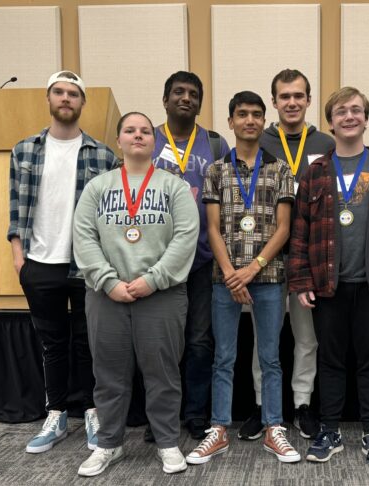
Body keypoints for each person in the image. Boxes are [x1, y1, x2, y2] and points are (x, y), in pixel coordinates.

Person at [288, 87, 369, 467]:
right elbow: (300, 231)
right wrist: (301, 282)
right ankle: (329, 429)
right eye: (341, 111)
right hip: (328, 284)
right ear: (331, 121)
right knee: (331, 359)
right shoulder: (315, 172)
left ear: (365, 118)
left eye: (356, 110)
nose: (349, 117)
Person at [73, 112, 199, 476]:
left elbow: (186, 237)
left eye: (145, 131)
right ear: (119, 141)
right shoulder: (98, 187)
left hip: (161, 295)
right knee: (109, 375)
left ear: (154, 142)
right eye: (130, 130)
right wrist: (108, 281)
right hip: (105, 295)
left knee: (162, 374)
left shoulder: (172, 186)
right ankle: (108, 444)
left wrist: (154, 279)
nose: (139, 135)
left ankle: (167, 442)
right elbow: (83, 236)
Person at [185, 91, 300, 465]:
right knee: (224, 357)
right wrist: (233, 274)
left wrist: (254, 268)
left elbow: (283, 228)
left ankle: (273, 427)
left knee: (270, 357)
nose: (249, 120)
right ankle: (218, 429)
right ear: (231, 122)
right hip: (225, 279)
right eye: (241, 115)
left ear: (264, 121)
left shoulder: (280, 169)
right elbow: (213, 229)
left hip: (268, 277)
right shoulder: (216, 170)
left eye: (256, 115)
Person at [8, 70, 118, 454]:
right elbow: (15, 205)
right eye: (59, 92)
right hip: (39, 262)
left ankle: (91, 410)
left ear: (83, 103)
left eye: (73, 93)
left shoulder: (103, 154)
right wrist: (19, 257)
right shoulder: (24, 150)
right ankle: (55, 413)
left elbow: (111, 213)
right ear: (49, 98)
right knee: (52, 344)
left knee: (89, 344)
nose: (66, 98)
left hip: (86, 265)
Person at [235, 68, 335, 441]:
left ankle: (303, 404)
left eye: (298, 96)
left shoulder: (327, 141)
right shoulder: (258, 142)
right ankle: (263, 405)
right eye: (284, 97)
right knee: (266, 337)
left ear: (308, 100)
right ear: (274, 102)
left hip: (310, 257)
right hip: (268, 254)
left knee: (307, 338)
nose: (291, 102)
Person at [150, 71, 230, 442]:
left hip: (202, 260)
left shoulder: (215, 145)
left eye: (193, 94)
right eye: (178, 92)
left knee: (199, 341)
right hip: (155, 260)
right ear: (164, 100)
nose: (186, 98)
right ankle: (160, 417)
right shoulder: (146, 139)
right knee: (160, 342)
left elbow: (230, 201)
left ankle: (196, 413)